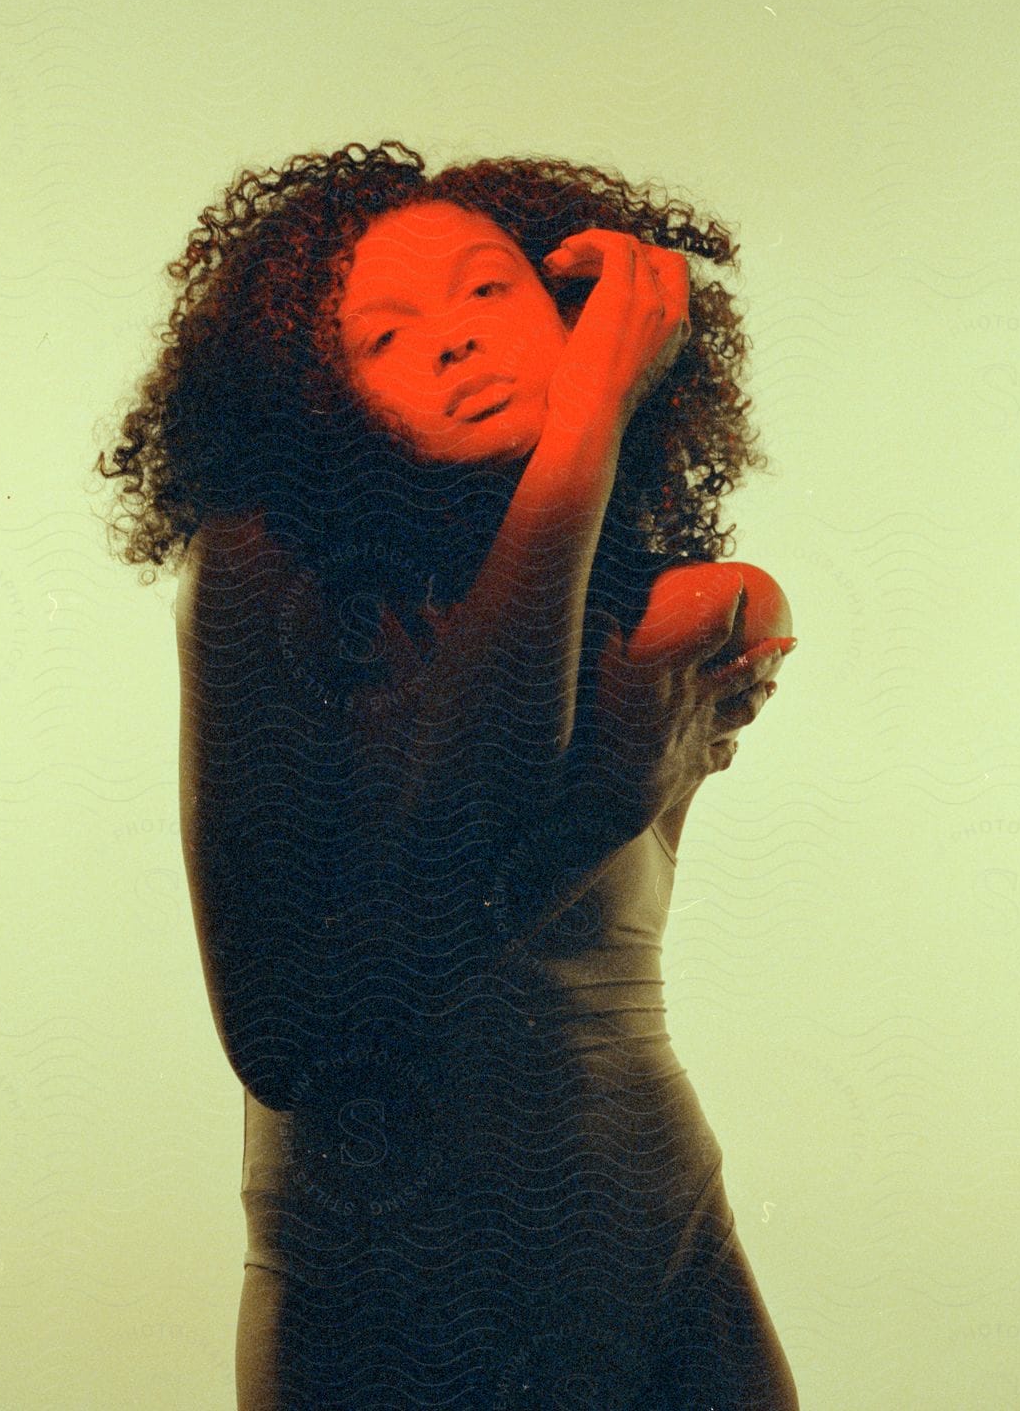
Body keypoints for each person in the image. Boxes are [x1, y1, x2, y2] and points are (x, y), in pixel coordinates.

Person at [97, 141, 801, 1408]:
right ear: (322, 395)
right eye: (385, 335)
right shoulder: (264, 570)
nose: (457, 342)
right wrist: (584, 421)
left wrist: (579, 447)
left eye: (489, 292)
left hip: (662, 1262)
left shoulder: (691, 606)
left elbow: (461, 822)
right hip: (381, 1303)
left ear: (573, 308)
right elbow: (292, 1042)